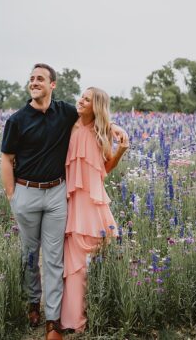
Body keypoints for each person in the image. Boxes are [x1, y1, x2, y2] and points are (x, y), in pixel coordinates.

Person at [0, 63, 127, 340]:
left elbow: (95, 116)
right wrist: (13, 196)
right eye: (31, 78)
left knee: (55, 259)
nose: (35, 82)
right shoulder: (17, 120)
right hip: (27, 192)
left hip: (58, 193)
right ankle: (34, 302)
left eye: (40, 79)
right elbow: (7, 159)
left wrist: (114, 127)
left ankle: (52, 321)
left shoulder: (65, 112)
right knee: (30, 255)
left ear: (52, 85)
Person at [60, 87, 128, 333]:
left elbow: (105, 170)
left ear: (95, 106)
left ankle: (90, 316)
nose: (81, 100)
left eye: (87, 99)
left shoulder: (102, 133)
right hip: (72, 200)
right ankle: (73, 320)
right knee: (74, 262)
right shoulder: (70, 124)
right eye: (81, 96)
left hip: (93, 201)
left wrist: (119, 149)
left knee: (90, 261)